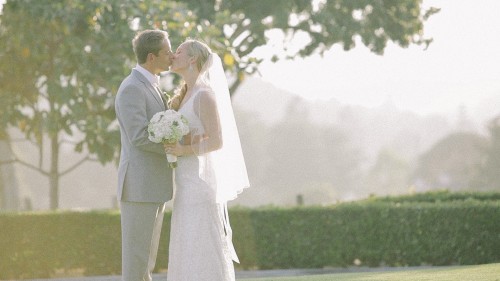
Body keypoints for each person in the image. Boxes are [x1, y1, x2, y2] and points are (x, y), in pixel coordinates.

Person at [164, 39, 250, 281]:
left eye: (179, 51)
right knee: (187, 242)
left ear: (192, 59)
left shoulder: (204, 95)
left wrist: (182, 150)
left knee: (200, 241)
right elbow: (195, 135)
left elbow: (217, 141)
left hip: (200, 184)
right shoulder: (185, 94)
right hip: (184, 182)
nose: (173, 54)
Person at [114, 29, 174, 281]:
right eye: (167, 51)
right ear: (152, 57)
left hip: (152, 186)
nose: (172, 56)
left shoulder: (151, 85)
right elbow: (139, 136)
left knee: (145, 262)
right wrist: (174, 149)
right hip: (139, 187)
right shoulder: (132, 89)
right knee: (136, 262)